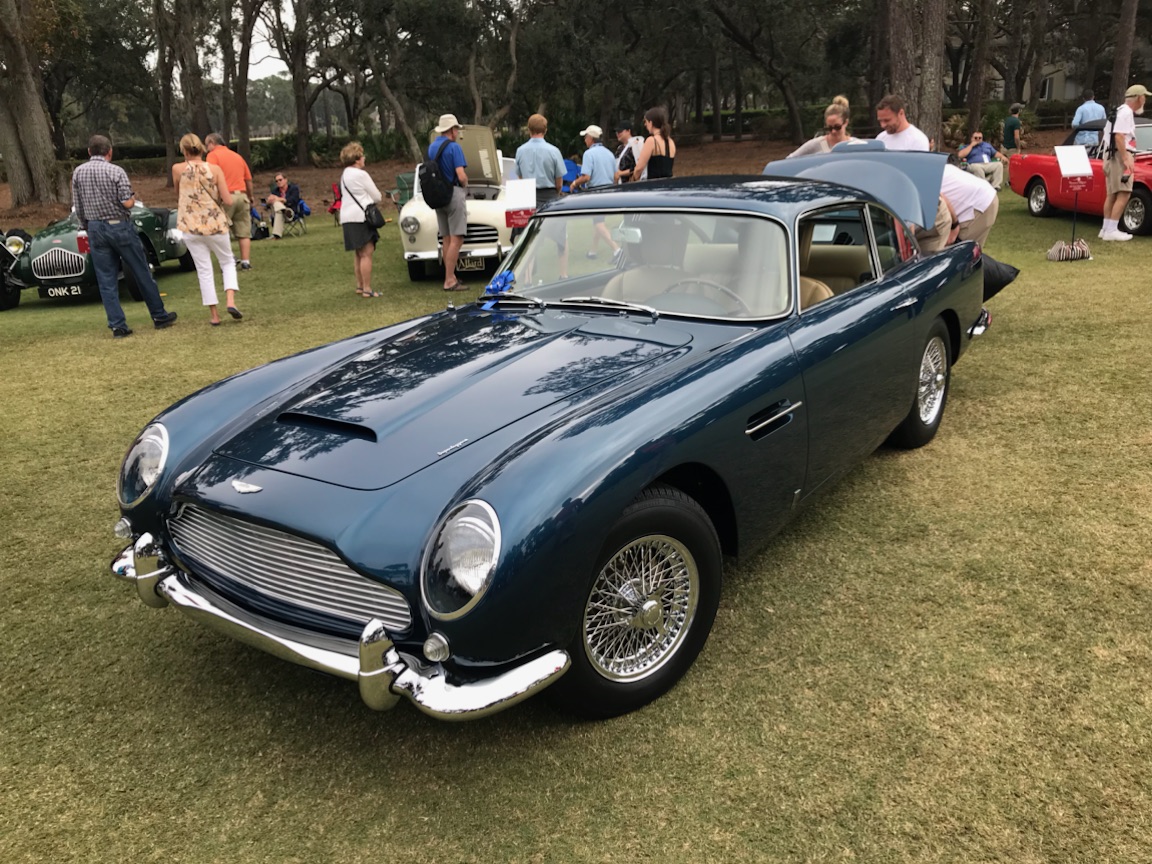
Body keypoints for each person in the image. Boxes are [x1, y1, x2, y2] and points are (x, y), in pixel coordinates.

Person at [70, 134, 177, 338]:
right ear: (109, 152)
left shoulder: (78, 172)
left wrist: (86, 225)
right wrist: (133, 198)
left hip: (95, 227)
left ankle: (117, 325)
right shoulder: (116, 171)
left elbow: (79, 205)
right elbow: (127, 202)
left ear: (89, 151)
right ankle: (159, 315)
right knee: (140, 270)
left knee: (106, 279)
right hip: (118, 225)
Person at [173, 133, 240, 326]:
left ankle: (214, 315)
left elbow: (178, 193)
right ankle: (230, 300)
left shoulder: (177, 169)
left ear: (184, 150)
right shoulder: (215, 169)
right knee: (227, 262)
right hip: (215, 224)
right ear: (202, 149)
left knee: (204, 270)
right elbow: (228, 200)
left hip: (190, 226)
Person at [1099, 84, 1149, 241]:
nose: (1145, 101)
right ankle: (1111, 229)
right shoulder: (1126, 112)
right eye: (1144, 97)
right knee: (1124, 192)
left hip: (1111, 154)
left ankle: (1106, 228)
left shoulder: (1119, 110)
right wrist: (1126, 158)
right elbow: (1119, 136)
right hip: (1120, 155)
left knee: (1112, 193)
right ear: (1139, 98)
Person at [428, 114, 470, 291]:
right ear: (452, 130)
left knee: (446, 238)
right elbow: (460, 175)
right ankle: (449, 280)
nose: (457, 132)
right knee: (457, 238)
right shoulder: (454, 147)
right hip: (453, 193)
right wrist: (466, 184)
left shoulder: (432, 147)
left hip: (438, 195)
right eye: (456, 129)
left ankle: (450, 276)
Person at [338, 141, 384, 296]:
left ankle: (360, 286)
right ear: (357, 159)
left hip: (347, 216)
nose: (364, 158)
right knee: (367, 252)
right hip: (360, 216)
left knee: (358, 253)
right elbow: (377, 196)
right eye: (362, 156)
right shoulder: (361, 174)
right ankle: (367, 289)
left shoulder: (344, 175)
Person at [204, 133, 255, 270]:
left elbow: (210, 177)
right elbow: (248, 179)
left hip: (226, 197)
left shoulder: (213, 156)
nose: (206, 148)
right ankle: (245, 262)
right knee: (244, 231)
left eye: (207, 145)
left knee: (220, 229)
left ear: (212, 143)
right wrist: (250, 196)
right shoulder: (237, 156)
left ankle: (230, 257)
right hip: (242, 196)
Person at [569, 124, 621, 259]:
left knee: (598, 222)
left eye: (586, 137)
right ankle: (593, 250)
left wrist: (574, 183)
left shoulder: (588, 154)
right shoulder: (609, 153)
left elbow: (586, 177)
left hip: (596, 192)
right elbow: (616, 176)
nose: (585, 139)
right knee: (598, 221)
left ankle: (616, 249)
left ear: (591, 138)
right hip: (609, 190)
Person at [940, 163, 999, 248]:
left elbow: (941, 199)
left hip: (977, 205)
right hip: (983, 196)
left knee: (959, 252)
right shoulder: (931, 167)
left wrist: (954, 226)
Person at [514, 113, 566, 206]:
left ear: (529, 129)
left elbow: (520, 177)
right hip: (549, 196)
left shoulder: (520, 151)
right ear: (545, 130)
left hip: (527, 197)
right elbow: (559, 183)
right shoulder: (554, 151)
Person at [788, 95, 859, 157]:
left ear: (846, 122)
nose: (833, 131)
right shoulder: (816, 144)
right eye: (829, 128)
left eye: (837, 127)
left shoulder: (857, 145)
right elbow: (790, 159)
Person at [633, 106, 676, 179]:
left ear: (651, 122)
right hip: (669, 183)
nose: (645, 125)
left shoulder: (651, 141)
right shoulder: (671, 141)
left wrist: (633, 179)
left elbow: (639, 168)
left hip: (654, 184)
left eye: (646, 121)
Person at [266, 173, 302, 239]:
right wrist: (268, 202)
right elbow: (267, 206)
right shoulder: (275, 191)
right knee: (278, 209)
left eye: (280, 180)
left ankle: (276, 235)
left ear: (286, 180)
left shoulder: (294, 189)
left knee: (276, 202)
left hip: (291, 213)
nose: (278, 182)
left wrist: (280, 199)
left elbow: (293, 200)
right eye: (276, 181)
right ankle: (284, 210)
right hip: (280, 214)